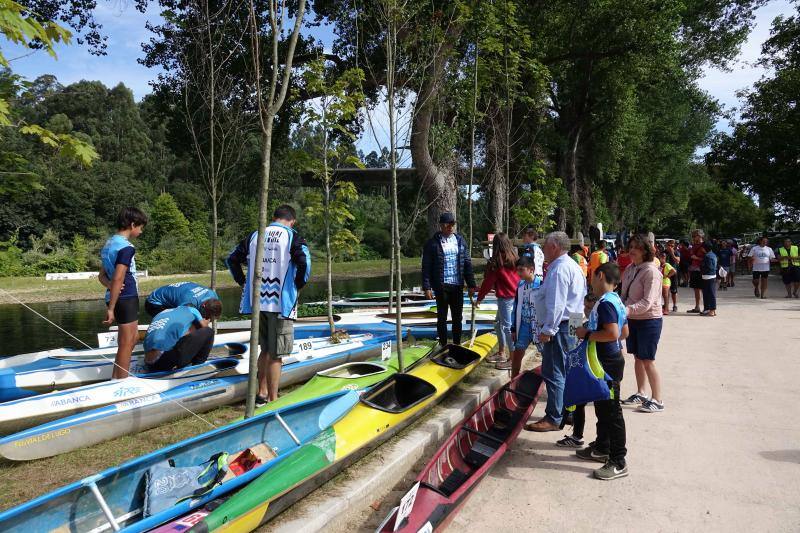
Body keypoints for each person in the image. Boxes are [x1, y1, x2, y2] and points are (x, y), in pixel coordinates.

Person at [227, 205, 310, 406]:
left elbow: (231, 260)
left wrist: (243, 282)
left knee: (264, 349)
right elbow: (305, 263)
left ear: (273, 218)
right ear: (292, 221)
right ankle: (274, 400)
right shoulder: (292, 236)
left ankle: (261, 394)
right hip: (281, 303)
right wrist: (298, 285)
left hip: (257, 302)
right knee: (277, 354)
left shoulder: (255, 235)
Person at [566, 263, 630, 480]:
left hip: (607, 364)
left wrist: (586, 333)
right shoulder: (616, 301)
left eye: (592, 278)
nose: (590, 283)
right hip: (608, 360)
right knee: (603, 409)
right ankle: (602, 447)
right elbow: (624, 332)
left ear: (600, 276)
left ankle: (618, 460)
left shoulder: (605, 304)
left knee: (612, 412)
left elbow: (612, 333)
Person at [526, 231, 586, 432]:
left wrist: (548, 329)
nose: (543, 250)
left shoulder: (559, 270)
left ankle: (554, 417)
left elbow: (557, 304)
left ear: (554, 247)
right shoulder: (574, 266)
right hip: (571, 322)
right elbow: (579, 299)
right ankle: (565, 412)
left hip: (560, 326)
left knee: (554, 371)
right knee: (566, 369)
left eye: (545, 246)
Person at [99, 207, 148, 379]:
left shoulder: (109, 243)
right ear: (132, 224)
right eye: (140, 227)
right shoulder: (126, 248)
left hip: (118, 297)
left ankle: (117, 376)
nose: (141, 231)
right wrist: (111, 308)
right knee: (127, 343)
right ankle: (120, 382)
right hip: (125, 298)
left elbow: (102, 276)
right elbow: (119, 277)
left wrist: (111, 286)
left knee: (132, 338)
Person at [620, 234, 664, 413]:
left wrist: (625, 310)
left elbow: (647, 302)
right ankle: (641, 393)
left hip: (649, 321)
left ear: (646, 251)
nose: (632, 251)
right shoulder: (631, 268)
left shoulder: (651, 272)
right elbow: (624, 294)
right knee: (638, 358)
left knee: (648, 360)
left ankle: (658, 399)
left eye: (636, 248)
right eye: (631, 247)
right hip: (633, 320)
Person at [422, 212, 477, 347]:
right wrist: (427, 287)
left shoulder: (460, 240)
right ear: (441, 225)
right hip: (441, 286)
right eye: (448, 224)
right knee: (442, 317)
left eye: (453, 224)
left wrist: (471, 284)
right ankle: (443, 344)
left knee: (457, 318)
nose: (451, 227)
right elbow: (426, 266)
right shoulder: (432, 243)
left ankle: (457, 344)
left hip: (457, 285)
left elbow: (467, 263)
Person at [476, 233, 519, 370]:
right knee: (498, 324)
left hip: (505, 298)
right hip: (515, 296)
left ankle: (512, 360)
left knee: (506, 327)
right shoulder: (515, 258)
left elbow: (488, 283)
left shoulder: (497, 262)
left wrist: (479, 298)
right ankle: (501, 353)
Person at [143, 301, 223, 371]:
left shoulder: (166, 312)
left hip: (148, 363)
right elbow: (203, 327)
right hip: (164, 363)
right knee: (208, 332)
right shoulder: (192, 310)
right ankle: (198, 366)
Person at [509, 256, 541, 377]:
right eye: (517, 270)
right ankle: (513, 380)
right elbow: (516, 306)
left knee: (546, 355)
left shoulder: (541, 285)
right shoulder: (520, 286)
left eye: (521, 270)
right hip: (523, 325)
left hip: (538, 326)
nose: (518, 273)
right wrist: (513, 328)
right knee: (517, 355)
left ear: (531, 269)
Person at [145, 282, 220, 318]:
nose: (207, 318)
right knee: (173, 323)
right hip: (154, 303)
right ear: (203, 305)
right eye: (207, 315)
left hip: (179, 297)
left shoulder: (213, 295)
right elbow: (183, 320)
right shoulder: (189, 302)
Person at [686, 230, 706, 313]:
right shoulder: (693, 245)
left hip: (701, 270)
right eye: (693, 236)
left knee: (703, 289)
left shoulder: (704, 246)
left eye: (695, 236)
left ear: (700, 236)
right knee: (696, 289)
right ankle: (697, 307)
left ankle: (706, 307)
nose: (693, 238)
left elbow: (708, 258)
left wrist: (697, 258)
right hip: (694, 269)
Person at [700, 242, 718, 317]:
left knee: (711, 293)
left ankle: (712, 310)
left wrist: (702, 268)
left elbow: (710, 267)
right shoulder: (713, 255)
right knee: (707, 294)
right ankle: (707, 309)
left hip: (708, 276)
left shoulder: (707, 256)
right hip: (710, 276)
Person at [658, 250, 677, 315]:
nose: (662, 258)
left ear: (665, 258)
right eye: (661, 256)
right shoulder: (659, 264)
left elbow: (674, 271)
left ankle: (666, 309)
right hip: (660, 282)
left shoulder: (667, 264)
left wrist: (667, 276)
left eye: (663, 257)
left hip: (666, 282)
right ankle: (664, 308)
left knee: (665, 296)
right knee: (662, 296)